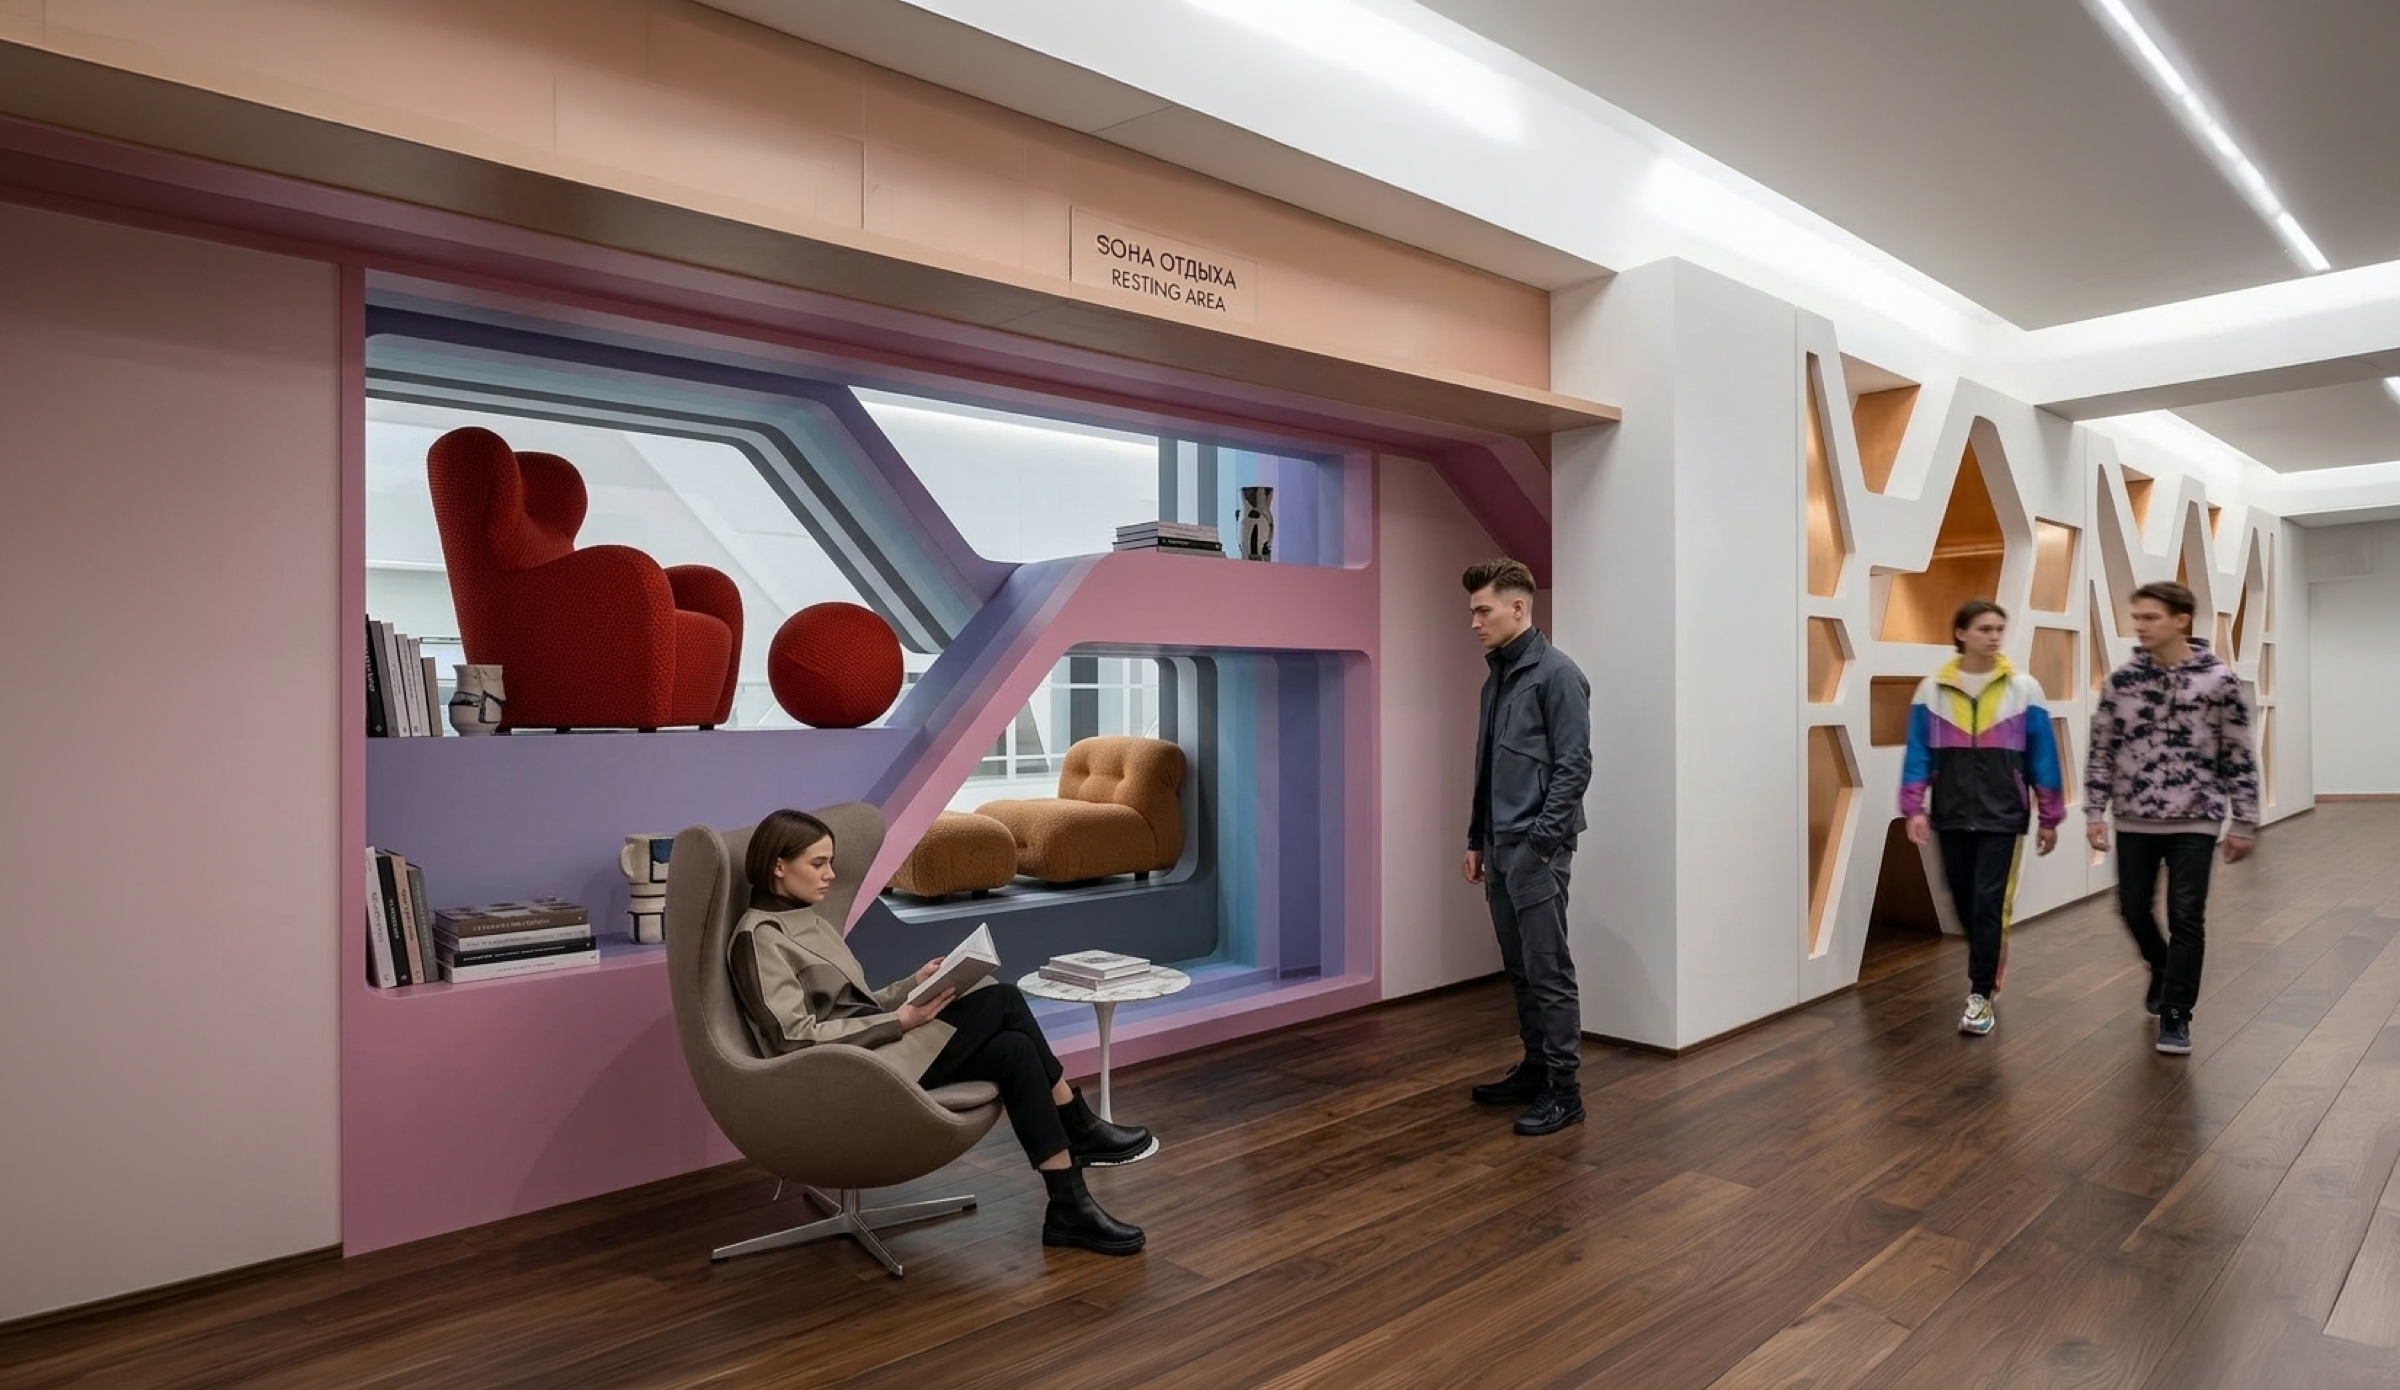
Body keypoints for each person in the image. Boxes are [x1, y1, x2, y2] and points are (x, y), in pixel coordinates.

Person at [728, 808, 1156, 1255]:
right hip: (845, 1073)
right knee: (1001, 998)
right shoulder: (759, 938)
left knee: (1014, 1051)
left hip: (876, 1051)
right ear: (779, 866)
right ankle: (1080, 1126)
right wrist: (901, 1021)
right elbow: (794, 1037)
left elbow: (854, 1006)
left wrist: (913, 985)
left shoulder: (810, 920)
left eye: (830, 862)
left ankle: (1068, 1207)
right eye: (818, 864)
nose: (830, 875)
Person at [2086, 581, 2259, 1056]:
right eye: (2137, 617)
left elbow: (2238, 754)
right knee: (2132, 909)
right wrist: (2093, 811)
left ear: (2181, 620)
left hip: (2195, 819)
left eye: (2150, 617)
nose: (2139, 626)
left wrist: (2244, 821)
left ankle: (2177, 1012)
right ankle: (2161, 968)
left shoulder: (2219, 680)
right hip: (2133, 817)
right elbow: (2102, 749)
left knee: (2186, 916)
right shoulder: (2122, 682)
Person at [1459, 558, 1593, 1136]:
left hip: (1536, 851)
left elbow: (1575, 767)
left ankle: (1565, 1091)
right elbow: (1487, 766)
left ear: (1518, 607)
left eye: (1482, 610)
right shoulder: (1499, 675)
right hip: (1497, 848)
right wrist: (1474, 839)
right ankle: (1536, 1069)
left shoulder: (1558, 674)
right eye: (1472, 611)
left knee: (1549, 970)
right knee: (1519, 969)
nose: (1474, 622)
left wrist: (1540, 843)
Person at [1899, 599, 2065, 1038]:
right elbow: (1918, 754)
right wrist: (1913, 807)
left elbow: (2043, 756)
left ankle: (1979, 995)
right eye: (1984, 629)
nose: (1994, 636)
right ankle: (1991, 956)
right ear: (1961, 634)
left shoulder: (2024, 689)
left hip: (2004, 815)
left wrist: (2049, 815)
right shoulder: (1931, 690)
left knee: (1988, 902)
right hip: (1951, 814)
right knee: (1960, 900)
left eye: (1999, 629)